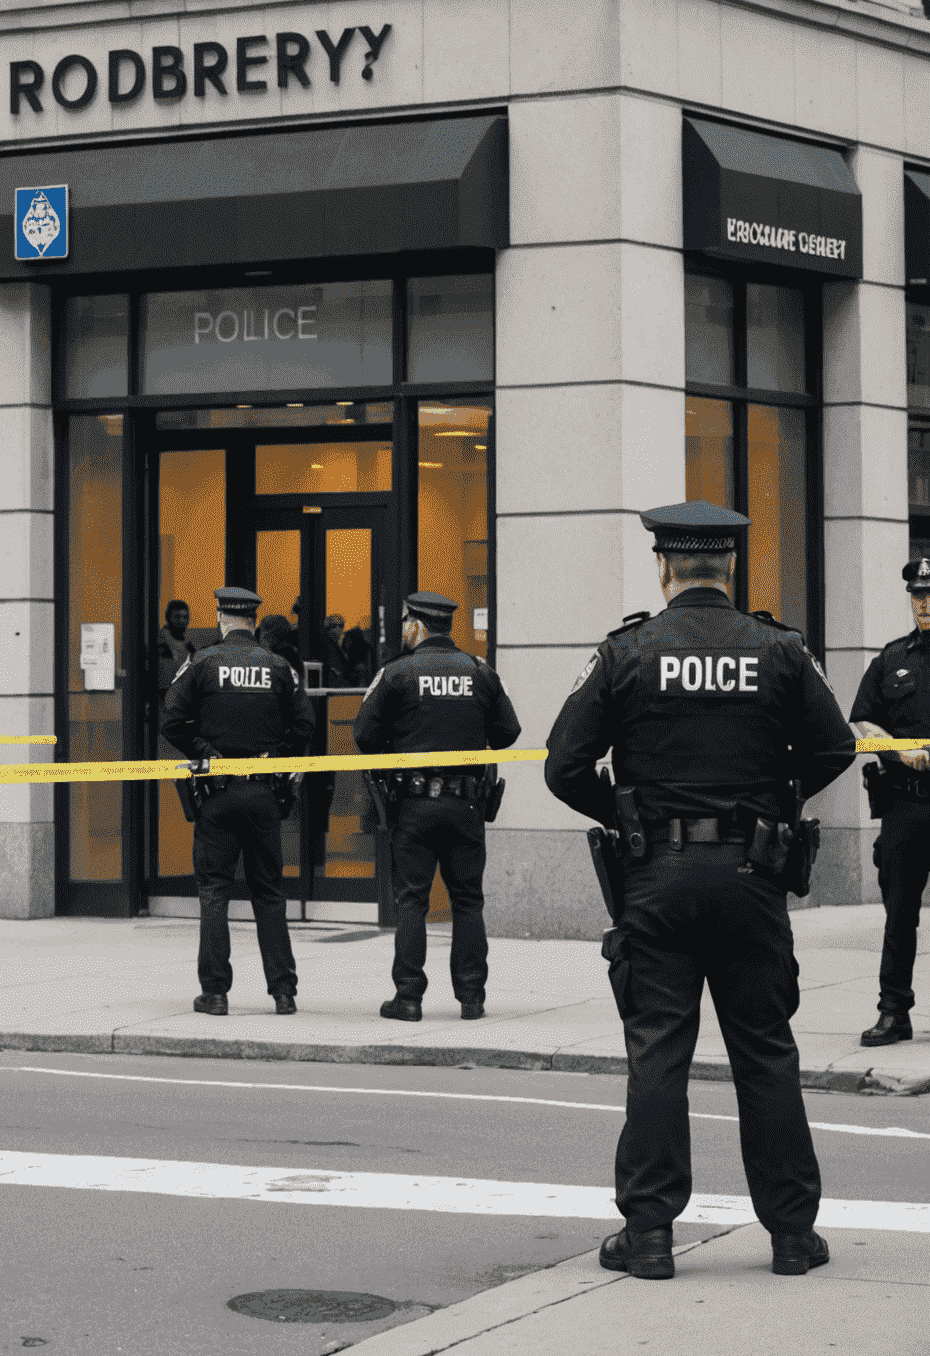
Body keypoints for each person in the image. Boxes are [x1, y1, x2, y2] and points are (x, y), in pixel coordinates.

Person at [544, 501, 856, 1281]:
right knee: (765, 1052)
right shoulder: (778, 649)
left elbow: (563, 766)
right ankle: (791, 1235)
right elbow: (836, 746)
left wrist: (628, 813)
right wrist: (776, 803)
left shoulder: (627, 651)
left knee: (658, 1054)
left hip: (657, 880)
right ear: (730, 568)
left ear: (664, 567)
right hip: (752, 877)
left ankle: (648, 1237)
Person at [353, 590, 520, 1023]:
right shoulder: (480, 671)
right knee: (468, 901)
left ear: (416, 625)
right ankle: (472, 999)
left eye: (406, 621)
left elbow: (364, 735)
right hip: (466, 806)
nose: (404, 629)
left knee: (412, 901)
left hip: (414, 807)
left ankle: (408, 998)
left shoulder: (397, 673)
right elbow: (507, 733)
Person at [161, 586, 315, 1016]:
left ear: (222, 618)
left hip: (219, 794)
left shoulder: (203, 662)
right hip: (264, 794)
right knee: (269, 893)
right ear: (253, 621)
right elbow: (305, 723)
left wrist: (202, 749)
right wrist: (277, 756)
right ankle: (283, 992)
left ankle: (215, 993)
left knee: (214, 892)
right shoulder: (278, 666)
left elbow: (170, 718)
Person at [848, 557, 930, 1048]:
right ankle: (893, 1013)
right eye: (918, 595)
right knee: (900, 914)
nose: (925, 603)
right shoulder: (891, 660)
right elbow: (863, 727)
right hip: (906, 805)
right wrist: (902, 750)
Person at [157, 600, 195, 691]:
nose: (182, 621)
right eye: (177, 617)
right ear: (168, 618)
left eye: (185, 617)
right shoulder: (162, 641)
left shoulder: (186, 640)